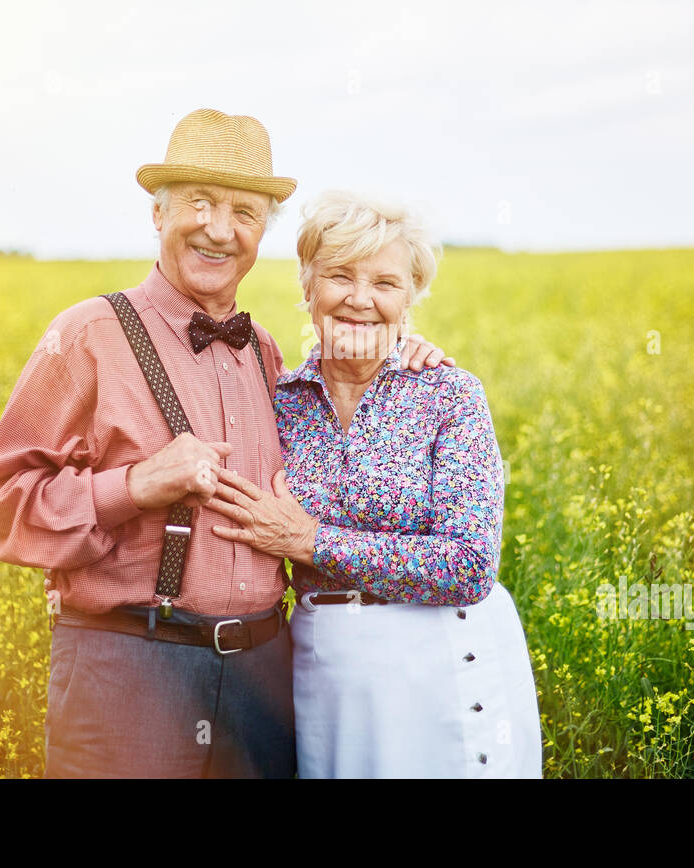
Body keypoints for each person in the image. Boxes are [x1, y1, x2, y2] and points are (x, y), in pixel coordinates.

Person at [0, 109, 450, 778]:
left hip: (263, 674)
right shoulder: (87, 335)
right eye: (200, 203)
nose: (220, 229)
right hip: (131, 668)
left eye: (244, 212)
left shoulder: (269, 355)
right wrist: (132, 487)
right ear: (158, 215)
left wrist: (401, 352)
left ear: (261, 233)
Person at [207, 190, 543, 777]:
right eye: (339, 276)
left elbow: (468, 565)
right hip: (329, 673)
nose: (360, 300)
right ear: (308, 288)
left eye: (385, 284)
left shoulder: (448, 393)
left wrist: (312, 542)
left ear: (410, 298)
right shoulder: (276, 400)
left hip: (441, 667)